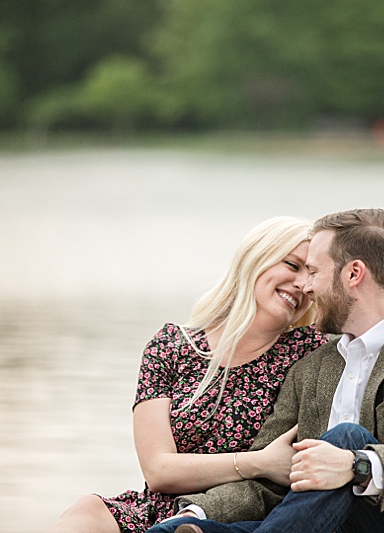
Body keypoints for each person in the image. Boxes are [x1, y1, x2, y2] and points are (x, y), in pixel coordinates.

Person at [147, 208, 384, 533]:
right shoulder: (310, 368)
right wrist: (197, 510)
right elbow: (271, 480)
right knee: (178, 529)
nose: (306, 287)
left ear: (353, 274)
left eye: (313, 271)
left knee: (347, 438)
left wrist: (354, 465)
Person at [45, 216, 329, 533]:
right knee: (86, 511)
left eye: (312, 274)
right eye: (292, 266)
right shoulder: (170, 346)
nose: (303, 285)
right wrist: (257, 461)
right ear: (256, 259)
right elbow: (157, 470)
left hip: (235, 515)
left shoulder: (310, 353)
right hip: (156, 510)